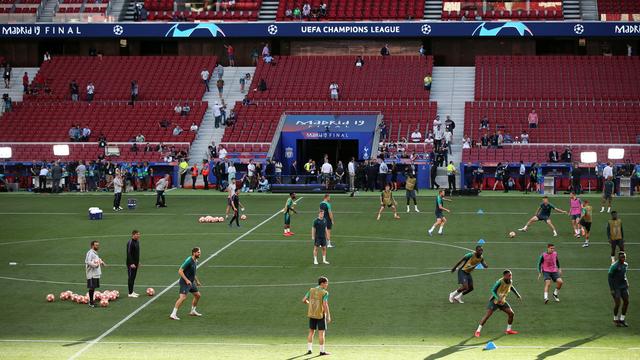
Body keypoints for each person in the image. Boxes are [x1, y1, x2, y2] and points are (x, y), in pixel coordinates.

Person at [474, 270, 522, 337]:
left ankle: (508, 330)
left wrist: (517, 294)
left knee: (511, 313)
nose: (511, 276)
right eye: (509, 275)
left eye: (511, 275)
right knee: (487, 315)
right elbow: (492, 290)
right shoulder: (500, 282)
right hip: (494, 301)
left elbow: (511, 287)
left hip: (502, 301)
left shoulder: (510, 281)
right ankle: (478, 331)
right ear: (504, 276)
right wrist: (497, 298)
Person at [169, 247, 203, 320]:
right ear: (194, 253)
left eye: (200, 252)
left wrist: (197, 281)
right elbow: (180, 271)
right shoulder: (189, 261)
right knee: (183, 297)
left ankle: (193, 311)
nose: (200, 254)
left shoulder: (196, 261)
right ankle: (173, 314)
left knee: (198, 295)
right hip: (185, 282)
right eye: (198, 252)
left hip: (191, 282)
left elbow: (193, 272)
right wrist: (187, 280)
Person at [302, 276, 331, 356]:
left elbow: (304, 300)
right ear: (322, 283)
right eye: (326, 283)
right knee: (321, 333)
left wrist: (310, 304)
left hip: (312, 314)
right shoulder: (325, 293)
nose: (327, 285)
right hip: (320, 315)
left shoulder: (311, 290)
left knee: (311, 332)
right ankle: (322, 351)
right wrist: (328, 315)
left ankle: (309, 349)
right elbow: (325, 304)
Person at [609, 252, 629, 327]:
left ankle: (622, 319)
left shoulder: (625, 265)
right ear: (618, 258)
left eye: (624, 257)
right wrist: (612, 289)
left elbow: (624, 274)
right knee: (618, 303)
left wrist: (626, 281)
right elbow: (609, 277)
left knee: (626, 302)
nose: (623, 258)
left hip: (624, 286)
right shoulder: (614, 266)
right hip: (616, 287)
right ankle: (615, 319)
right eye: (622, 257)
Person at [85, 240, 105, 308]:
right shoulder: (90, 253)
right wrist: (95, 265)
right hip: (91, 273)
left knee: (93, 288)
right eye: (96, 245)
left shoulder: (95, 252)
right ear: (92, 246)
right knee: (92, 288)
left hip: (96, 273)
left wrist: (102, 262)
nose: (97, 246)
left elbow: (97, 259)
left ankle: (92, 301)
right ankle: (91, 302)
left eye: (98, 245)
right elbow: (87, 261)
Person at [126, 230, 141, 298]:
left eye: (139, 234)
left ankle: (132, 291)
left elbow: (136, 254)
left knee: (133, 278)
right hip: (130, 264)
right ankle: (130, 293)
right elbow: (129, 253)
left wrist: (138, 262)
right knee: (131, 278)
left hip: (135, 263)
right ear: (133, 235)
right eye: (137, 234)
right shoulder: (130, 242)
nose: (138, 236)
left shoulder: (137, 242)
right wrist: (131, 263)